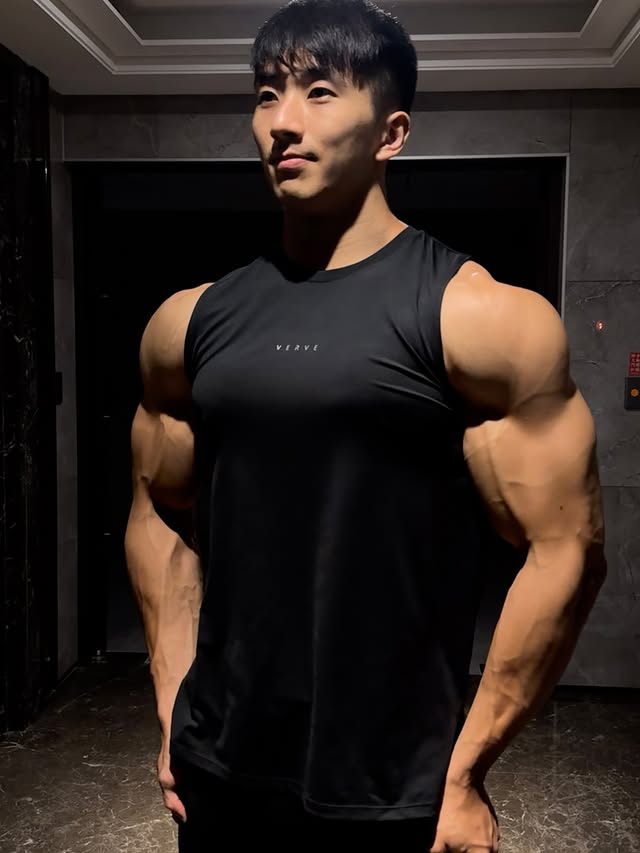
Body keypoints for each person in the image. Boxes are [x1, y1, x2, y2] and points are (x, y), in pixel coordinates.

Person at [123, 0, 607, 850]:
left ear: (392, 133)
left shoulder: (479, 318)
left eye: (319, 92)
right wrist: (172, 701)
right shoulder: (188, 322)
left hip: (395, 782)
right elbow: (159, 511)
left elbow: (568, 548)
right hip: (219, 765)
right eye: (267, 94)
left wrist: (468, 770)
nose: (283, 121)